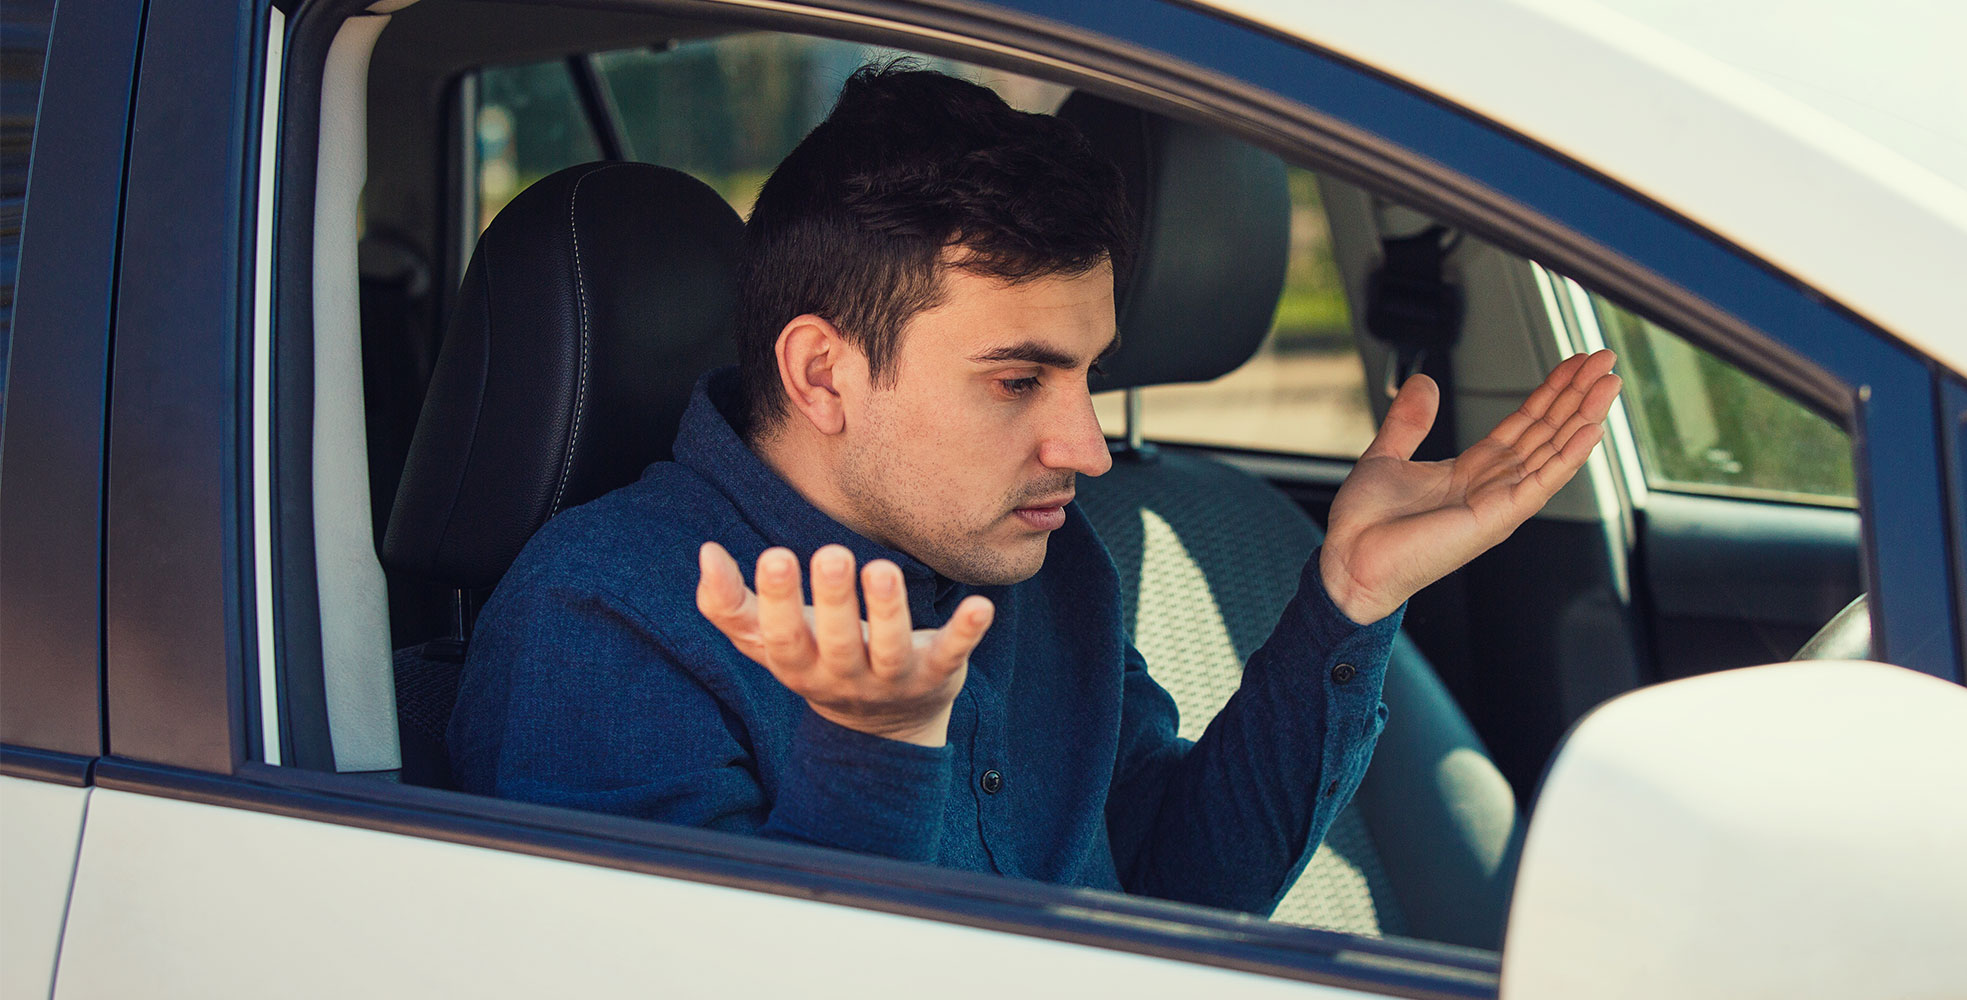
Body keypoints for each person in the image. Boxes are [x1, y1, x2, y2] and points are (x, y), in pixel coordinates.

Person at [447, 66, 1621, 915]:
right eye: (1018, 379)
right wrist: (876, 752)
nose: (1087, 448)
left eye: (1088, 376)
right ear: (822, 372)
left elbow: (1180, 893)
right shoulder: (602, 620)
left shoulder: (1041, 567)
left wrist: (1347, 600)